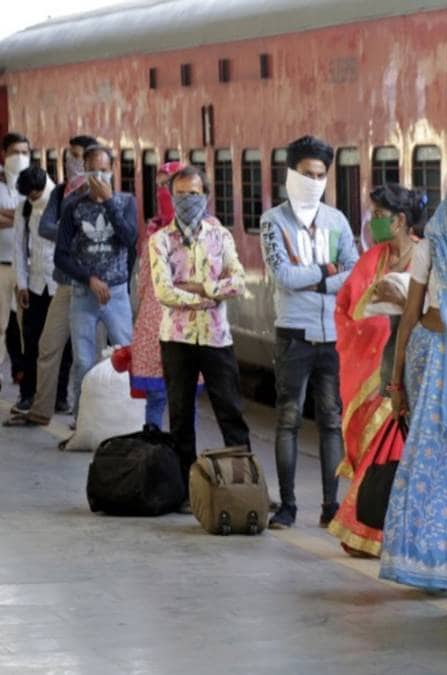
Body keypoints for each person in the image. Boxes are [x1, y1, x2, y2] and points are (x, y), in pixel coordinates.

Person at [379, 169, 447, 590]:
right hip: (432, 366)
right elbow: (409, 316)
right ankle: (429, 565)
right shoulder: (432, 246)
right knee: (430, 466)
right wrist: (396, 383)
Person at [260, 135, 359, 530]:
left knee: (332, 422)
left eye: (320, 175)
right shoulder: (273, 221)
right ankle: (287, 506)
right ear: (291, 173)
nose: (314, 181)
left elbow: (353, 271)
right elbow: (283, 276)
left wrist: (316, 280)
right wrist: (327, 272)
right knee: (288, 420)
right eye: (307, 173)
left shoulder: (337, 221)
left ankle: (331, 507)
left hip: (333, 335)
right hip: (293, 335)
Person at [328, 184, 425, 557]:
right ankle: (371, 530)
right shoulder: (372, 259)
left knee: (391, 454)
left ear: (400, 221)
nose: (373, 223)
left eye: (380, 216)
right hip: (370, 373)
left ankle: (373, 533)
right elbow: (346, 307)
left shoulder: (424, 256)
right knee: (373, 452)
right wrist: (370, 316)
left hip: (410, 373)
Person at [148, 164, 250, 505]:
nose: (187, 200)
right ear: (171, 196)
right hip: (176, 339)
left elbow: (239, 282)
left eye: (193, 194)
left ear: (205, 195)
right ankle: (185, 492)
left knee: (230, 411)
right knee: (180, 415)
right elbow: (164, 292)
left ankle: (244, 486)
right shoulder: (160, 240)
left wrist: (202, 288)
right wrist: (210, 297)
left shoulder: (221, 237)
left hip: (216, 338)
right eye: (180, 194)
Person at [7, 134, 95, 426]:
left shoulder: (68, 197)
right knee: (37, 343)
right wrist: (21, 284)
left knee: (72, 349)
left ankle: (65, 401)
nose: (32, 200)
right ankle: (32, 398)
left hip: (70, 284)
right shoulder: (37, 203)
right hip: (41, 284)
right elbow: (24, 244)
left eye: (77, 156)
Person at [54, 145, 137, 423]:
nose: (99, 176)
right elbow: (61, 256)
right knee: (83, 361)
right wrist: (88, 279)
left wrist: (109, 202)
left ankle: (130, 416)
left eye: (104, 170)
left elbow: (129, 239)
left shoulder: (126, 202)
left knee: (126, 354)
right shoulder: (73, 207)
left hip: (117, 294)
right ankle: (82, 419)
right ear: (84, 172)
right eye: (93, 171)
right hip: (83, 293)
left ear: (112, 170)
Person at [130, 160, 184, 429]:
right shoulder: (153, 229)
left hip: (186, 323)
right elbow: (143, 281)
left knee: (181, 396)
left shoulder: (206, 230)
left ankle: (179, 448)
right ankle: (155, 444)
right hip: (155, 321)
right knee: (158, 395)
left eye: (169, 185)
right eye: (160, 186)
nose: (163, 192)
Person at [9, 166, 56, 416]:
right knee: (31, 341)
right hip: (36, 285)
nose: (31, 199)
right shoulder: (24, 208)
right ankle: (27, 394)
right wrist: (22, 284)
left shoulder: (60, 202)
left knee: (62, 346)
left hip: (60, 285)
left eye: (34, 195)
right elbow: (19, 247)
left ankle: (59, 397)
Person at [0, 132, 32, 395]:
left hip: (28, 267)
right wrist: (21, 216)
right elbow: (27, 217)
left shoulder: (36, 182)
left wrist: (9, 215)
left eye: (24, 152)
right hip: (0, 265)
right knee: (0, 325)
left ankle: (25, 377)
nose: (20, 157)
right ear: (4, 154)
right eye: (14, 152)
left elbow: (36, 217)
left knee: (25, 326)